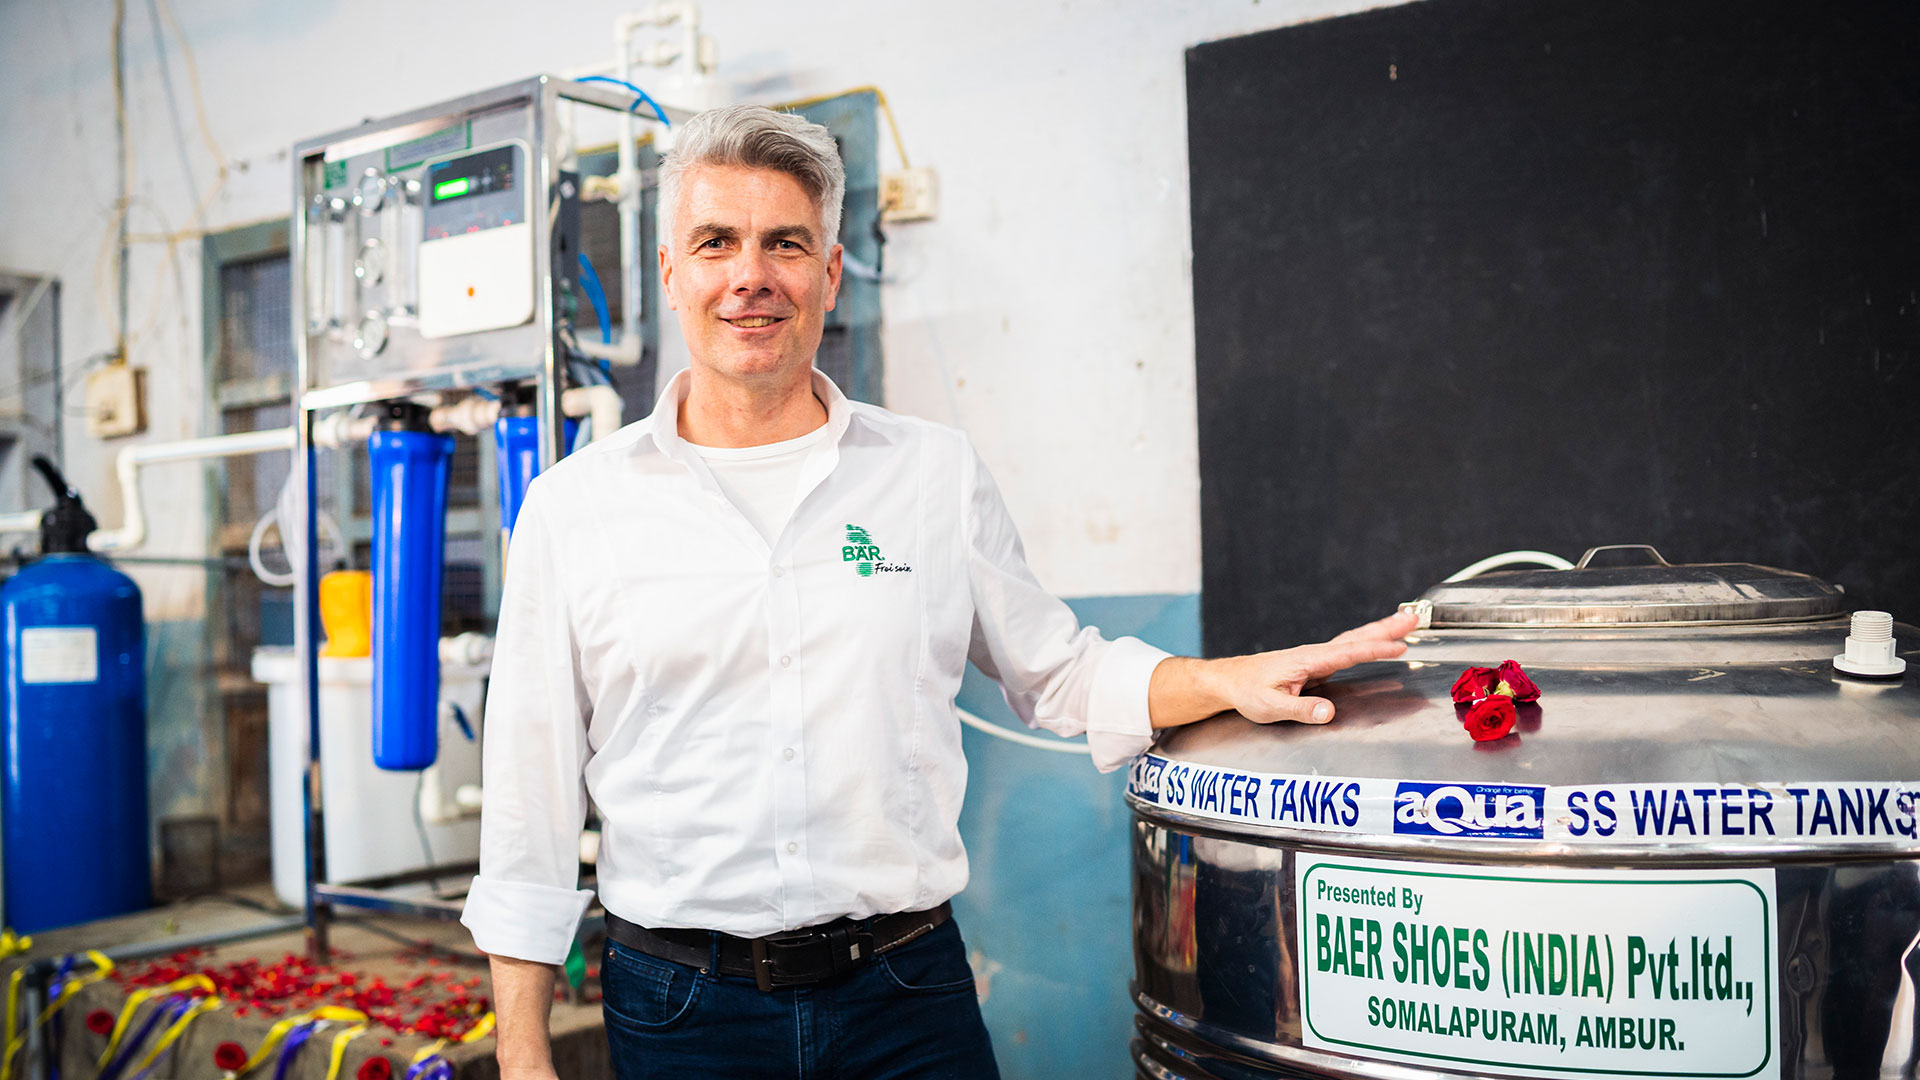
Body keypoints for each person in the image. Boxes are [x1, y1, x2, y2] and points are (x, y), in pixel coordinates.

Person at [459, 104, 1416, 1080]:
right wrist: (524, 1053)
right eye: (717, 243)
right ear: (672, 273)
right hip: (681, 1011)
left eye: (785, 243)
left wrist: (1235, 679)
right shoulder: (576, 509)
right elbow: (528, 804)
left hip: (902, 1000)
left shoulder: (930, 474)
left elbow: (1061, 676)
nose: (751, 275)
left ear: (828, 274)